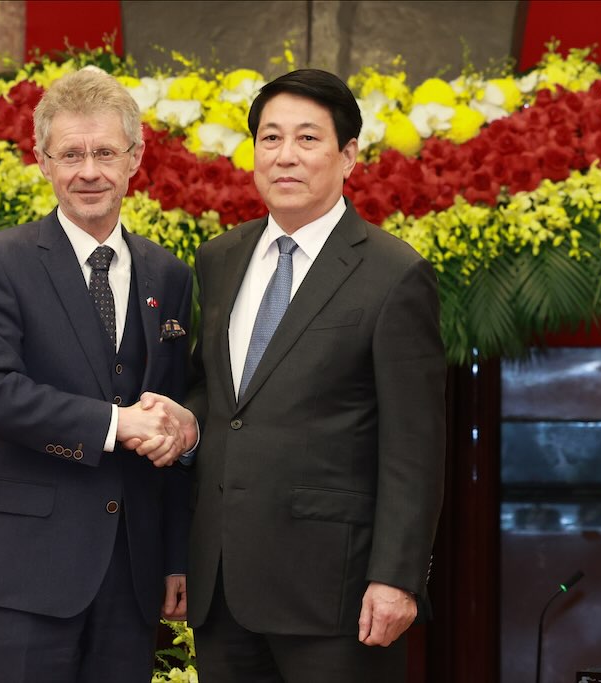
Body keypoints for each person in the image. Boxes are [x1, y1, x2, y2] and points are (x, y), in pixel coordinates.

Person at [141, 68, 446, 682]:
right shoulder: (221, 257)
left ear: (348, 156)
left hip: (335, 593)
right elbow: (223, 395)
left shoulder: (394, 274)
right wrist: (186, 425)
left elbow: (414, 446)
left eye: (307, 139)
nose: (285, 156)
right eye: (270, 138)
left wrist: (396, 578)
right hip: (223, 584)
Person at [0, 67, 194, 683]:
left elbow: (175, 408)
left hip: (132, 579)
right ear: (42, 161)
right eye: (72, 154)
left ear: (135, 158)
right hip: (22, 576)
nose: (90, 171)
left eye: (106, 152)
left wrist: (176, 559)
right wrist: (116, 424)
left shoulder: (170, 276)